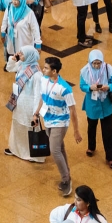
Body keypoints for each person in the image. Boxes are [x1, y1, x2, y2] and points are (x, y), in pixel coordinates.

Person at [33, 57, 81, 196]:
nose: (43, 69)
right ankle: (67, 174)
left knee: (54, 150)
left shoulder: (65, 88)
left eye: (46, 68)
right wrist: (36, 114)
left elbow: (73, 110)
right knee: (59, 148)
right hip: (48, 119)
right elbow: (43, 97)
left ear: (54, 71)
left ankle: (66, 180)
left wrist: (76, 131)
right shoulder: (44, 80)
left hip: (60, 122)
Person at [3, 47, 44, 162]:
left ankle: (32, 154)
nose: (19, 54)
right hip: (18, 102)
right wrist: (12, 59)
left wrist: (36, 113)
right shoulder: (22, 64)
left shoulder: (37, 74)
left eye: (22, 53)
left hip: (29, 106)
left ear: (30, 55)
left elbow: (38, 95)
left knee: (29, 127)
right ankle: (15, 149)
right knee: (17, 125)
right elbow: (9, 68)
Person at [78, 50, 112, 169]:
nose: (96, 65)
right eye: (94, 63)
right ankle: (91, 146)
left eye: (98, 63)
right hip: (92, 103)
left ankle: (111, 157)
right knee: (91, 126)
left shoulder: (108, 69)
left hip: (105, 104)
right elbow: (82, 86)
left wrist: (108, 87)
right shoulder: (85, 71)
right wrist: (90, 87)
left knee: (108, 131)